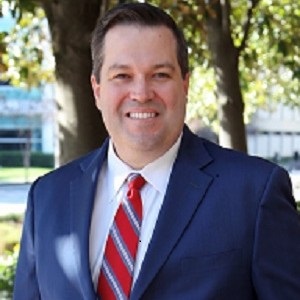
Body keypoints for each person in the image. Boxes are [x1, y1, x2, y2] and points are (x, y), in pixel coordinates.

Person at [14, 2, 300, 299]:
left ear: (185, 85)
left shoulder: (254, 193)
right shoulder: (47, 198)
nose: (141, 93)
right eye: (122, 76)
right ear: (97, 90)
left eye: (160, 75)